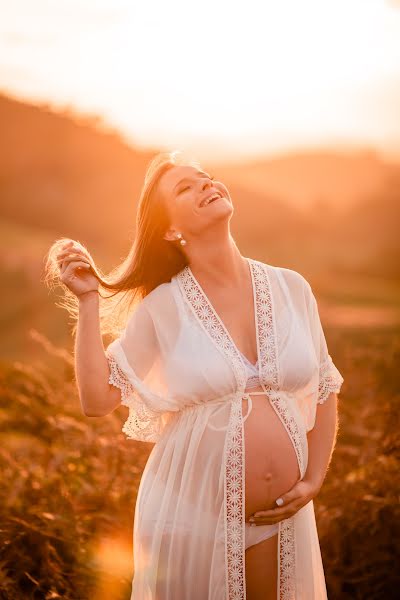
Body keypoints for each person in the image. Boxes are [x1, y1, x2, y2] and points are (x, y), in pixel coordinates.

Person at [45, 150, 344, 599]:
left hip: (280, 516)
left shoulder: (291, 288)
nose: (206, 185)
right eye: (186, 187)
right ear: (169, 230)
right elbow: (97, 399)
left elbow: (324, 388)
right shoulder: (164, 307)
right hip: (190, 514)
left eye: (206, 178)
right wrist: (89, 302)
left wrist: (314, 479)